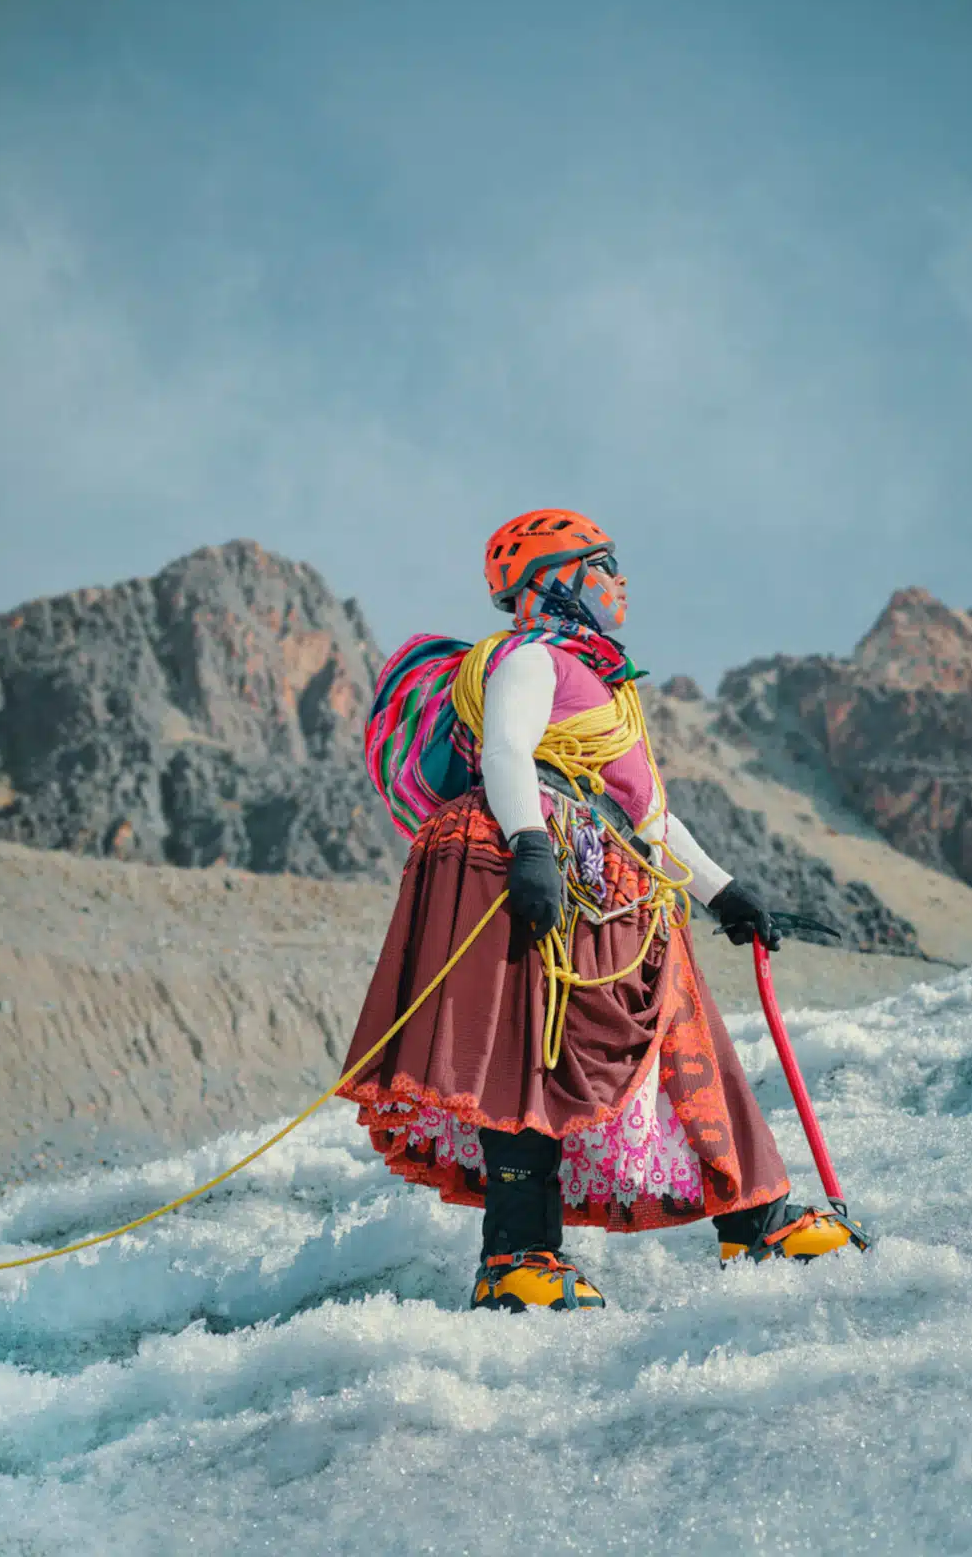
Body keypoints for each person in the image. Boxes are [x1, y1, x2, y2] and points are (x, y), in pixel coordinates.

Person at [339, 509, 853, 1311]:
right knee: (525, 1055)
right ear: (555, 580)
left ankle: (751, 1221)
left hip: (595, 876)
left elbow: (645, 817)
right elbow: (509, 751)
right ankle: (523, 1257)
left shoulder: (601, 686)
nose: (621, 581)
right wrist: (530, 848)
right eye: (604, 564)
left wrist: (723, 892)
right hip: (528, 863)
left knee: (647, 1035)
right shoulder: (529, 657)